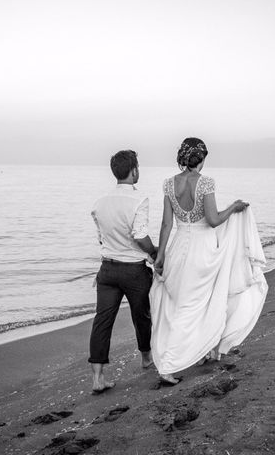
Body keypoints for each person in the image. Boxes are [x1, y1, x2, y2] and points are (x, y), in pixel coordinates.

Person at [150, 137, 268, 384]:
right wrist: (234, 208)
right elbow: (213, 220)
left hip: (178, 247)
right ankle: (168, 365)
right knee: (194, 306)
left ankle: (201, 351)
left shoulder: (169, 184)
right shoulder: (206, 183)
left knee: (182, 303)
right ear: (201, 158)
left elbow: (166, 224)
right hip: (201, 250)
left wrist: (160, 257)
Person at [89, 150, 158, 393]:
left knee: (102, 321)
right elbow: (140, 236)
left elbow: (100, 239)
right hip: (133, 271)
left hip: (107, 269)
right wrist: (155, 252)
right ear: (134, 170)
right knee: (142, 317)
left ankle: (98, 378)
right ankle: (147, 358)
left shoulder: (99, 203)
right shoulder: (139, 200)